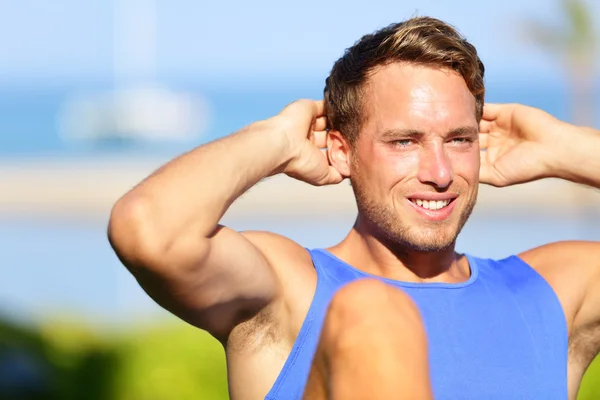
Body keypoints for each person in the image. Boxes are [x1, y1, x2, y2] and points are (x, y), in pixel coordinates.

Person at [107, 16, 600, 400]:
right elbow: (149, 229)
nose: (441, 171)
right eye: (405, 141)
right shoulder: (290, 289)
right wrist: (274, 139)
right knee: (371, 311)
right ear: (341, 151)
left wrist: (566, 149)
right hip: (351, 305)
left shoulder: (552, 291)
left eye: (458, 140)